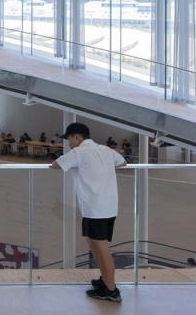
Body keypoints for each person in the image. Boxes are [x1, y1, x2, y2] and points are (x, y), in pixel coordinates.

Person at [51, 122, 127, 303]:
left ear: (77, 137)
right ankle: (105, 281)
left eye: (69, 139)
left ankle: (111, 290)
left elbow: (56, 165)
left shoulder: (79, 153)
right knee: (93, 243)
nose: (69, 143)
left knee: (101, 249)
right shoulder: (106, 150)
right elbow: (123, 162)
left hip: (95, 208)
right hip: (108, 206)